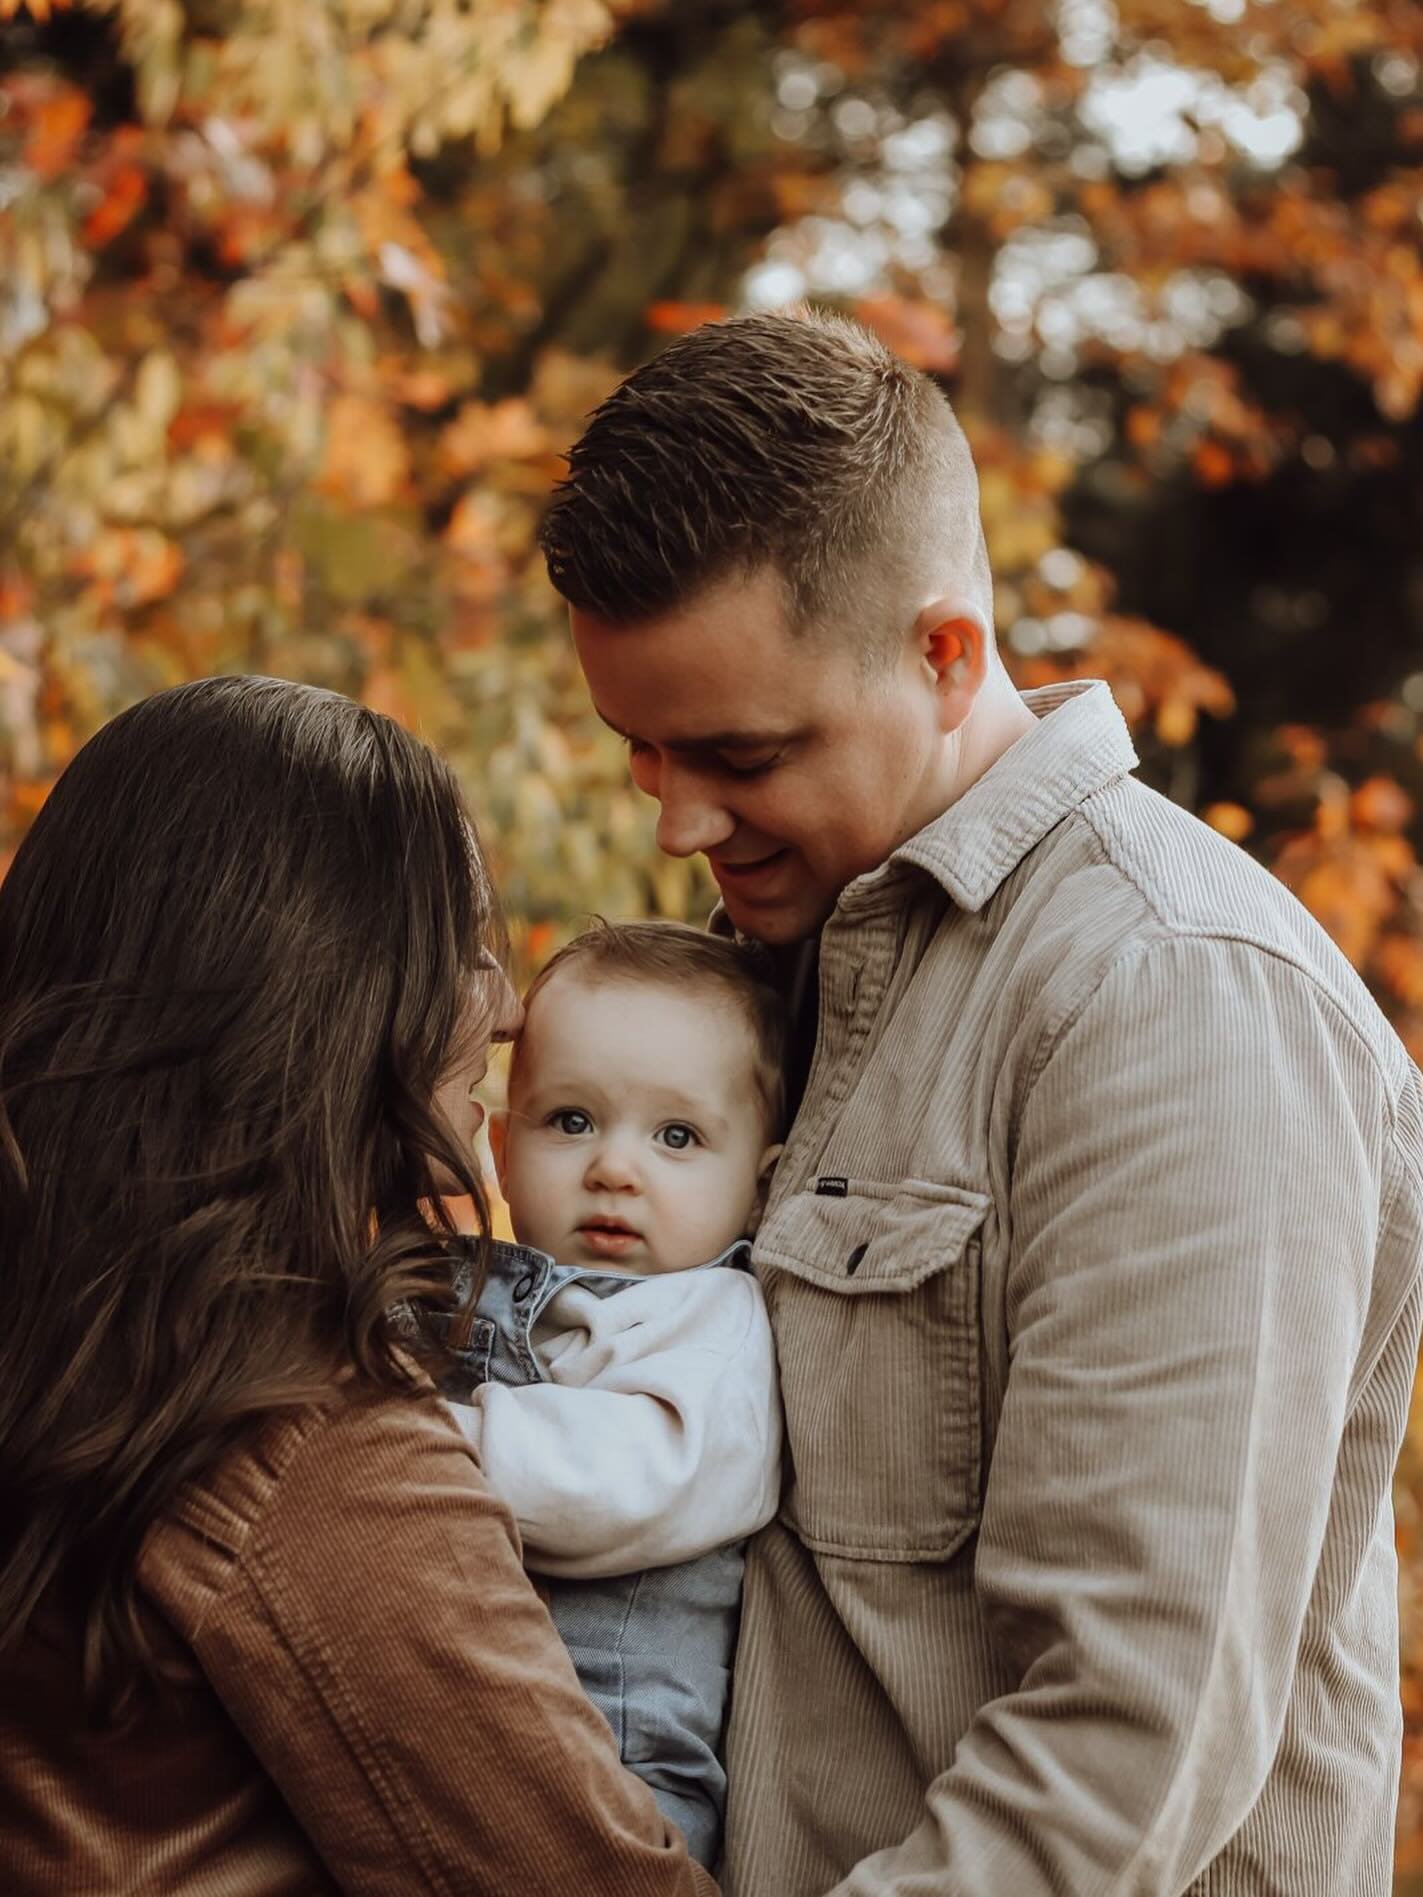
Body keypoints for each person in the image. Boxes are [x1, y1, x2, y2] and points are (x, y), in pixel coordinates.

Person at [538, 309, 1423, 1895]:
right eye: (640, 750)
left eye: (735, 751)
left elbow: (1123, 1747)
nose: (676, 819)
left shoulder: (1169, 999)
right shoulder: (796, 961)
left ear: (944, 655)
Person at [0, 676, 717, 1895]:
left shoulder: (71, 1334)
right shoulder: (308, 1444)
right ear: (320, 1000)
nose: (501, 1010)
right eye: (458, 950)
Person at [442, 919, 785, 1868]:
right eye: (572, 1120)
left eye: (676, 1135)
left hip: (620, 1772)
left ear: (760, 1185)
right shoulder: (462, 1287)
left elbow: (637, 1474)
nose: (614, 1167)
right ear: (503, 1152)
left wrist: (430, 1443)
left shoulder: (710, 1322)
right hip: (468, 1725)